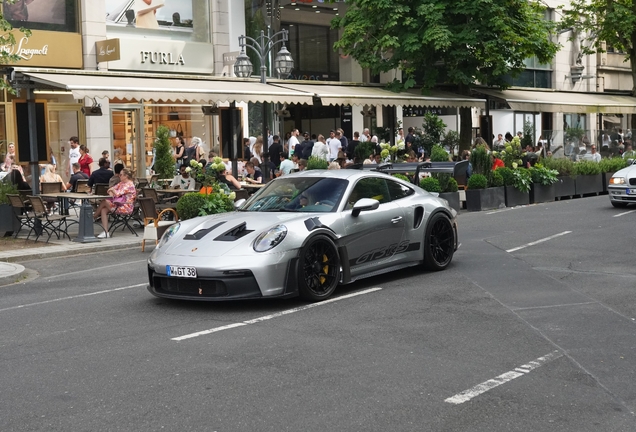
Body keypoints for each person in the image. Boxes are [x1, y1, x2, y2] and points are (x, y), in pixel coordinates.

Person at [93, 169, 137, 238]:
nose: (119, 176)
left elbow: (116, 193)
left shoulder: (129, 185)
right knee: (103, 210)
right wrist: (112, 191)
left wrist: (113, 191)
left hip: (126, 207)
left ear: (126, 176)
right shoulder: (122, 183)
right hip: (119, 204)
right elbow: (110, 189)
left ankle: (94, 217)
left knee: (104, 202)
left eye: (121, 175)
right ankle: (106, 232)